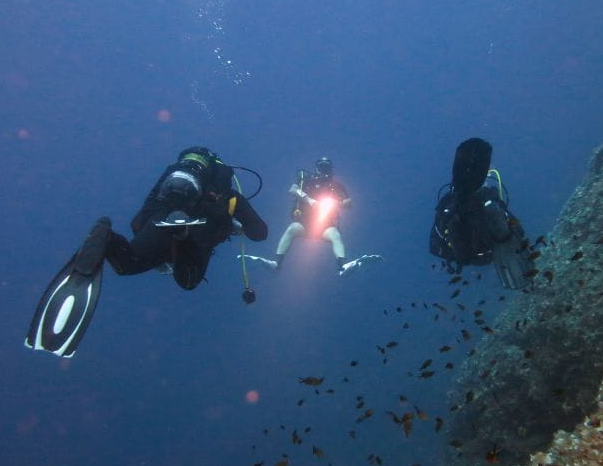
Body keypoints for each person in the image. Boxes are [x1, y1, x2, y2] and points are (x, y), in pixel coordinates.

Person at [26, 146, 268, 357]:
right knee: (188, 280)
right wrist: (234, 223)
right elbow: (260, 233)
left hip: (159, 223)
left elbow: (137, 223)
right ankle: (181, 234)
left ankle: (105, 235)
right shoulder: (229, 196)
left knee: (127, 264)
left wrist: (154, 250)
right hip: (195, 235)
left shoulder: (168, 187)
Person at [242, 157, 382, 276]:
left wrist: (336, 202)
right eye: (321, 167)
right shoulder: (307, 180)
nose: (324, 171)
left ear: (331, 169)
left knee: (335, 235)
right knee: (292, 229)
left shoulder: (335, 185)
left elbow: (349, 202)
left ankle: (342, 266)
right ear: (316, 168)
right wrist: (309, 200)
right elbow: (293, 189)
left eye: (327, 168)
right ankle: (276, 263)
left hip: (325, 226)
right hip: (305, 223)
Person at [430, 138, 534, 290]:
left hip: (468, 255)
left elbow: (435, 245)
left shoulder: (449, 203)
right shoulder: (489, 198)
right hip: (486, 252)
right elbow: (518, 231)